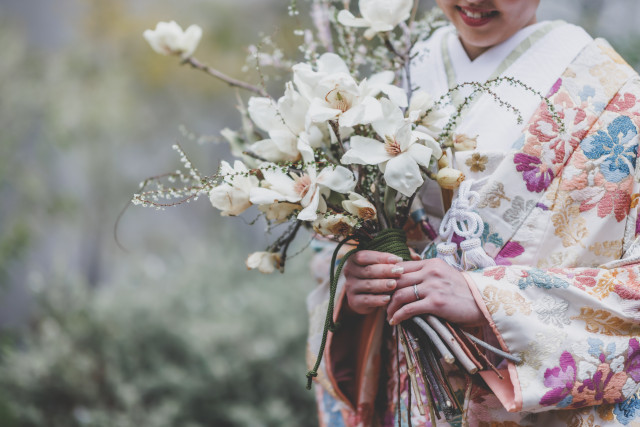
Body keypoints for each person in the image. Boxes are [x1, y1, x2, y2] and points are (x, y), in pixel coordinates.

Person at [306, 0, 640, 425]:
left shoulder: (621, 104)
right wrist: (354, 284)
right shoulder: (382, 88)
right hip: (408, 391)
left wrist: (493, 300)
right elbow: (331, 250)